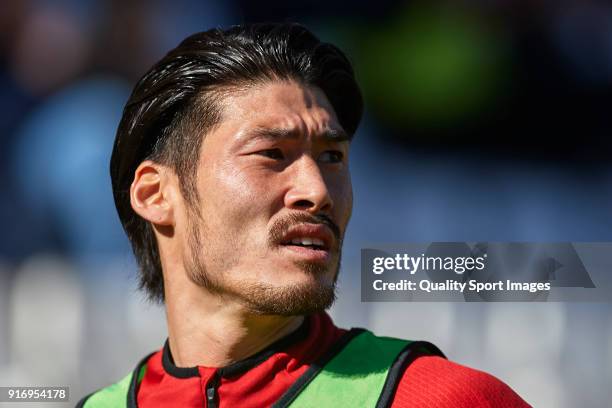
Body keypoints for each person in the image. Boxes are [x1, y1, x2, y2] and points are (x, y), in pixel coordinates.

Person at [77, 23, 530, 407]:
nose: (317, 191)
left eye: (332, 157)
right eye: (271, 153)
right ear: (156, 195)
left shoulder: (441, 398)